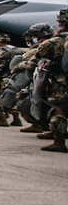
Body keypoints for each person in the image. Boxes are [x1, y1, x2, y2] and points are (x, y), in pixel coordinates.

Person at [34, 9, 68, 153]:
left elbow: (39, 54)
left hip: (61, 80)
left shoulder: (56, 41)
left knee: (58, 108)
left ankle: (58, 141)